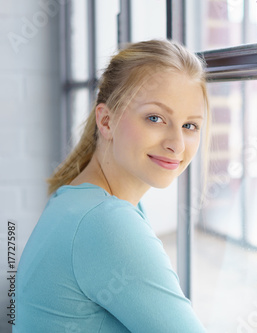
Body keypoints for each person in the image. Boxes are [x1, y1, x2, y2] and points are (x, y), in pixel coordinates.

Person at [14, 39, 209, 332]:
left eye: (189, 125)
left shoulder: (78, 198)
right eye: (155, 118)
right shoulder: (105, 223)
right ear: (106, 121)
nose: (177, 144)